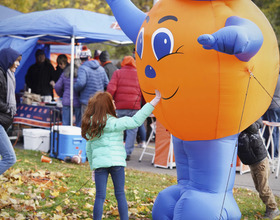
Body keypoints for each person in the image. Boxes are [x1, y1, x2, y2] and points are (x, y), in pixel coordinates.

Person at [81, 90, 161, 220]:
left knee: (100, 196)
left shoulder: (92, 125)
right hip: (117, 163)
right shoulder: (115, 122)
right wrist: (154, 101)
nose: (114, 102)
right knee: (120, 194)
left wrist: (92, 167)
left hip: (100, 165)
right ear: (107, 105)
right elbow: (136, 120)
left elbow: (89, 148)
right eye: (111, 101)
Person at [238, 118, 280, 219]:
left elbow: (255, 125)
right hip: (252, 162)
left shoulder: (251, 123)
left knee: (263, 189)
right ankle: (269, 207)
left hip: (260, 161)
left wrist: (244, 119)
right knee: (259, 187)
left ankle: (273, 209)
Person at [106, 56, 142, 161]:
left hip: (120, 106)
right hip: (134, 107)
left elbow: (111, 88)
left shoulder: (118, 73)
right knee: (132, 130)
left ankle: (115, 150)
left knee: (116, 128)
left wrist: (108, 101)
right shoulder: (139, 74)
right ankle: (127, 153)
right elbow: (143, 91)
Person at [0, 47, 22, 175]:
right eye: (16, 61)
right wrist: (8, 109)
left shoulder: (7, 75)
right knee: (9, 158)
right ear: (8, 60)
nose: (18, 64)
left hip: (2, 120)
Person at [74, 49, 109, 117]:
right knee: (98, 123)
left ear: (80, 58)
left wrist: (74, 87)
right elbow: (107, 83)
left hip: (87, 101)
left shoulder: (82, 68)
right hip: (99, 101)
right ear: (89, 57)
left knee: (86, 124)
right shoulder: (101, 68)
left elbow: (81, 83)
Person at [54, 58, 82, 127]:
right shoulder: (81, 74)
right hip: (78, 101)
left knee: (66, 124)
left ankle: (66, 137)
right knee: (78, 124)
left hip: (66, 100)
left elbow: (57, 86)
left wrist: (61, 94)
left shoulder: (65, 73)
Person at [262, 69, 280, 158]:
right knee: (275, 131)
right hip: (277, 106)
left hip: (271, 107)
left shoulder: (273, 79)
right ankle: (274, 153)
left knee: (271, 131)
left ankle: (272, 153)